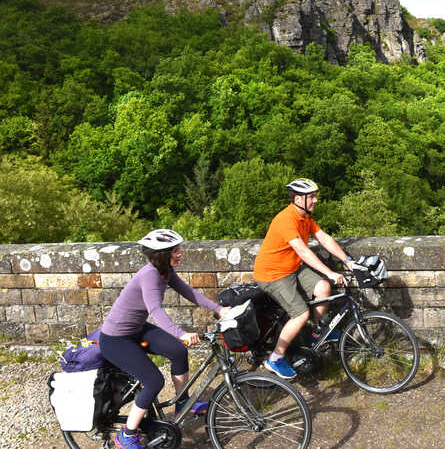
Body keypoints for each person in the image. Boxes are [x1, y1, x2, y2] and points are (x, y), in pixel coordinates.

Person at [99, 229, 230, 449]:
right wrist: (181, 334)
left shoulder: (165, 271)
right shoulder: (149, 275)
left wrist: (219, 309)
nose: (180, 254)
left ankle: (182, 403)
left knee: (178, 351)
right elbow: (156, 311)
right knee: (154, 381)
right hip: (116, 339)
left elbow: (189, 292)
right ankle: (126, 435)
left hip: (137, 330)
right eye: (175, 251)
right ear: (162, 254)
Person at [253, 178, 354, 379]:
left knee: (323, 288)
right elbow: (303, 251)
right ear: (299, 199)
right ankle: (275, 358)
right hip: (273, 274)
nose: (316, 200)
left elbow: (323, 237)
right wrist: (331, 272)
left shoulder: (305, 217)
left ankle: (314, 333)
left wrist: (347, 260)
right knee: (300, 314)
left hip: (291, 268)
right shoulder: (286, 220)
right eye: (312, 197)